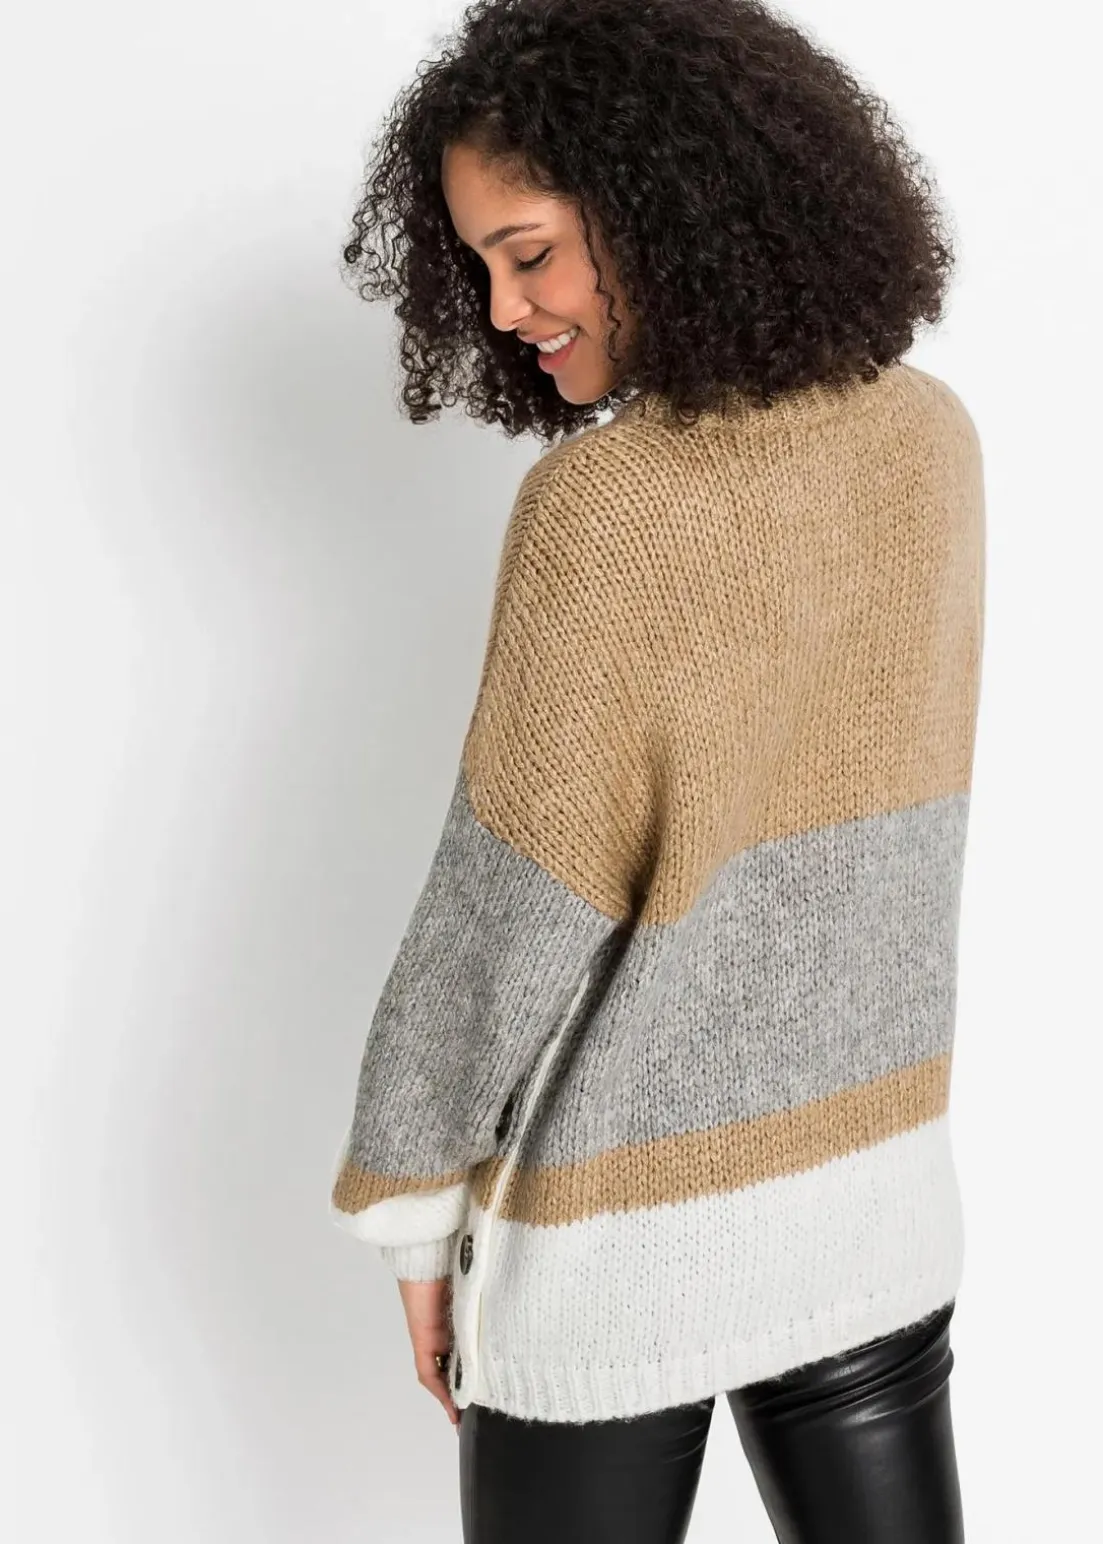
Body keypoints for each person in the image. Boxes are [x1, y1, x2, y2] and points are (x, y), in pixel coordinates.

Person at [327, 1, 986, 1539]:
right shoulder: (925, 436)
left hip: (624, 1243)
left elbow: (502, 914)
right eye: (480, 266)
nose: (504, 309)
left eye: (530, 252)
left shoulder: (609, 508)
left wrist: (409, 1211)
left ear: (659, 206)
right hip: (873, 1196)